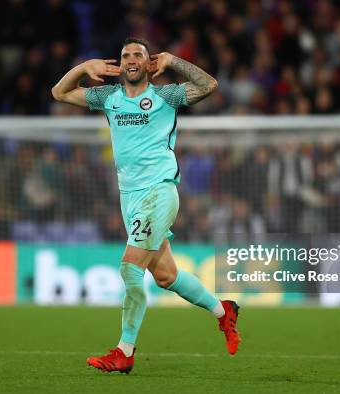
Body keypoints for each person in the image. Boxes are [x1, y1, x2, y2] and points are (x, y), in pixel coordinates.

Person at [51, 37, 241, 373]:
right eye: (126, 55)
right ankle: (223, 311)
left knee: (130, 268)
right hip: (130, 197)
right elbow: (60, 93)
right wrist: (83, 67)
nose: (131, 59)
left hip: (159, 192)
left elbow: (208, 84)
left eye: (139, 54)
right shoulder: (108, 97)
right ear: (121, 65)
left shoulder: (164, 96)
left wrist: (173, 60)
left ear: (150, 63)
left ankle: (124, 352)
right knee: (166, 277)